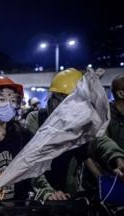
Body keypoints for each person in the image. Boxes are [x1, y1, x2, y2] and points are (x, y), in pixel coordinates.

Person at [25, 68, 87, 201]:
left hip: (69, 190)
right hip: (41, 192)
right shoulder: (36, 119)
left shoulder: (79, 121)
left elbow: (100, 141)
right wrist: (46, 191)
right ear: (53, 98)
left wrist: (117, 159)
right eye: (66, 102)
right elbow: (30, 160)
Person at [88, 74, 124, 180]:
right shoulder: (102, 116)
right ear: (121, 93)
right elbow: (100, 140)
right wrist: (102, 180)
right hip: (111, 180)